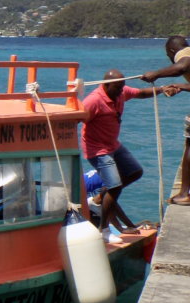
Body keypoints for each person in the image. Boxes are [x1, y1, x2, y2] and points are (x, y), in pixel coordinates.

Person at [81, 69, 166, 241]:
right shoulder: (94, 100)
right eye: (118, 88)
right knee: (114, 186)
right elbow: (77, 117)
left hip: (113, 145)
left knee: (135, 172)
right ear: (107, 85)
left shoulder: (121, 92)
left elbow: (141, 93)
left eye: (122, 87)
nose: (121, 91)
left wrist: (162, 90)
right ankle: (104, 230)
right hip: (97, 149)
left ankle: (98, 200)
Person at [141, 34, 190, 204]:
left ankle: (184, 194)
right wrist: (180, 87)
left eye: (168, 55)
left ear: (171, 50)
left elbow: (181, 67)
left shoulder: (183, 54)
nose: (170, 59)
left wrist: (155, 74)